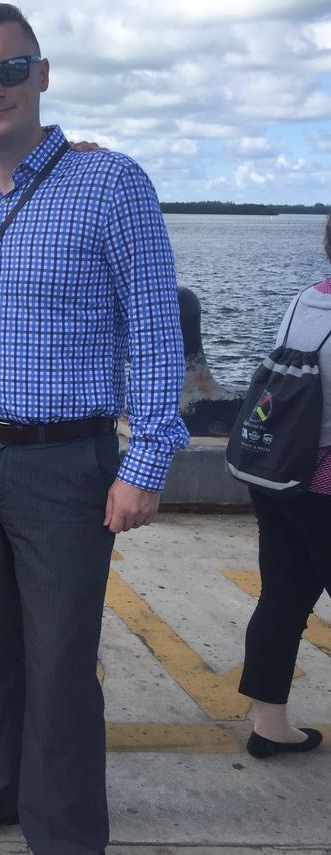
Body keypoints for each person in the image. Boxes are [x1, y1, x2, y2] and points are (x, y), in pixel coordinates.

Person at [0, 5, 189, 850]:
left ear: (42, 73)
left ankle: (65, 832)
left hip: (64, 461)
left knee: (62, 663)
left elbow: (155, 329)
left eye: (9, 70)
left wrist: (146, 460)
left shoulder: (113, 184)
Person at [237, 214, 331, 761]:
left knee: (282, 600)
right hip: (323, 486)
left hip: (276, 474)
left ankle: (269, 724)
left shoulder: (304, 300)